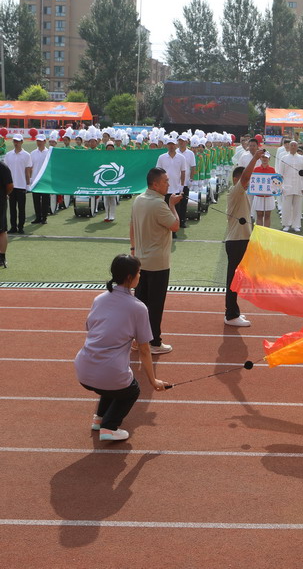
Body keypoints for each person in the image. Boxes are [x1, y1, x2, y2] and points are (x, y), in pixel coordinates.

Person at [74, 254, 170, 442]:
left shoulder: (99, 299)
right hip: (109, 373)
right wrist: (153, 381)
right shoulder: (138, 307)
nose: (140, 276)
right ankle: (109, 427)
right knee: (131, 390)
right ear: (129, 277)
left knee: (114, 383)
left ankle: (99, 419)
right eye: (139, 273)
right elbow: (144, 349)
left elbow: (92, 328)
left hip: (83, 370)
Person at [130, 168, 182, 355]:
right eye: (165, 181)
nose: (168, 184)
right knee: (155, 305)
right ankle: (154, 342)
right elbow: (175, 225)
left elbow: (131, 225)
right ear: (155, 184)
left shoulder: (138, 200)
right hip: (158, 263)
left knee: (141, 303)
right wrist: (172, 205)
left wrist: (133, 249)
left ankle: (137, 340)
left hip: (140, 261)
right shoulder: (159, 204)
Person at [224, 149, 264, 328]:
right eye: (244, 180)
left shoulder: (241, 194)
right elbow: (246, 176)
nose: (247, 183)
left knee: (236, 279)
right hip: (236, 242)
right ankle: (231, 314)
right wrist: (255, 158)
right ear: (236, 180)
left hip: (241, 240)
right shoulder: (235, 191)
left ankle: (233, 311)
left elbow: (247, 177)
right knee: (233, 280)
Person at [155, 137, 189, 238]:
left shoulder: (181, 158)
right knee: (163, 210)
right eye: (169, 144)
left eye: (173, 144)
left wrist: (182, 186)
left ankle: (173, 232)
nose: (171, 146)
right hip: (163, 189)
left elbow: (183, 172)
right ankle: (163, 230)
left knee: (175, 211)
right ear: (167, 145)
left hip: (176, 189)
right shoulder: (161, 157)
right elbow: (158, 172)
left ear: (176, 145)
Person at [277, 141, 303, 233]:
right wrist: (280, 186)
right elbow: (280, 173)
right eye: (292, 145)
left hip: (299, 185)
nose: (293, 147)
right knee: (286, 206)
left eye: (295, 145)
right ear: (289, 147)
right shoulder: (284, 158)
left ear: (297, 147)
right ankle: (286, 224)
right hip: (287, 186)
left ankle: (296, 225)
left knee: (297, 207)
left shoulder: (302, 158)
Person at [4, 134, 31, 235]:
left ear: (22, 142)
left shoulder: (26, 155)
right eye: (15, 141)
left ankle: (21, 227)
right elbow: (6, 171)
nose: (16, 143)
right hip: (11, 186)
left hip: (21, 185)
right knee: (12, 208)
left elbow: (27, 171)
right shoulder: (8, 155)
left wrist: (28, 184)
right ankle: (13, 227)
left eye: (18, 141)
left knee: (21, 208)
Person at [29, 134, 51, 225]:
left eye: (41, 141)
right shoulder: (33, 153)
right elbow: (30, 167)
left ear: (45, 141)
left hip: (45, 180)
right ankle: (38, 217)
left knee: (45, 200)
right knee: (36, 200)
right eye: (38, 141)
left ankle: (44, 217)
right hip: (35, 180)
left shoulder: (49, 153)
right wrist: (30, 179)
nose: (39, 143)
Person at [251, 152, 276, 227]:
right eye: (263, 157)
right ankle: (260, 232)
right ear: (260, 158)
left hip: (268, 196)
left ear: (269, 159)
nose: (264, 159)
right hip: (258, 196)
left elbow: (275, 183)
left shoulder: (272, 170)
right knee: (259, 215)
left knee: (267, 215)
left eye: (266, 157)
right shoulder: (256, 169)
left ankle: (266, 231)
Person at [0, 159, 12, 267]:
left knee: (2, 230)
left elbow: (10, 186)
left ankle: (2, 257)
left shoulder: (2, 167)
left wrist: (4, 195)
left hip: (0, 202)